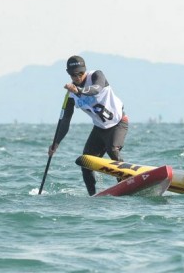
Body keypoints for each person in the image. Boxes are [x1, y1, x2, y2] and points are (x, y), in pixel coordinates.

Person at [47, 55, 129, 195]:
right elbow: (65, 121)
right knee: (86, 162)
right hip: (99, 129)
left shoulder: (96, 75)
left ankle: (127, 187)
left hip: (118, 123)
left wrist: (78, 90)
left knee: (113, 150)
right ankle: (93, 195)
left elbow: (96, 89)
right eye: (74, 74)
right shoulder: (70, 95)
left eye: (80, 73)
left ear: (85, 70)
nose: (78, 77)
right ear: (69, 73)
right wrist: (56, 143)